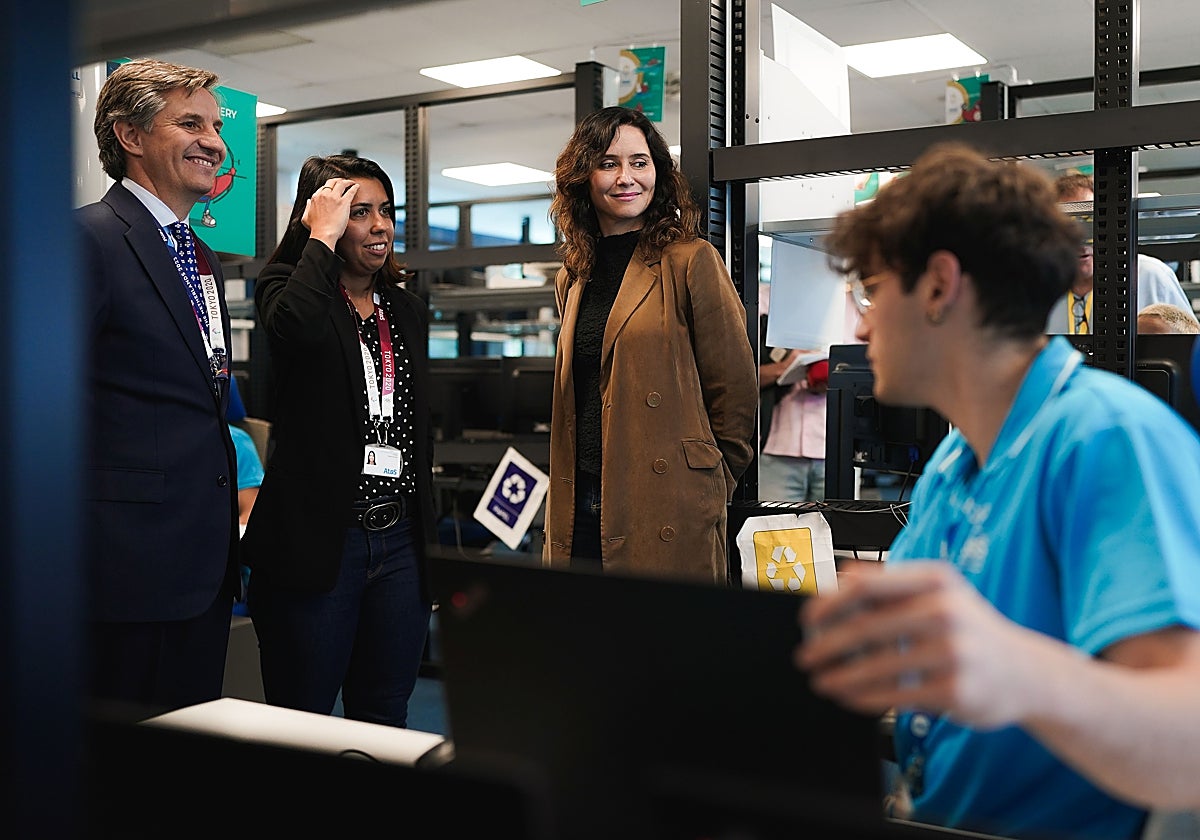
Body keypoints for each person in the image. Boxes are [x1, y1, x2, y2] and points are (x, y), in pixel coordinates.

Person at [796, 143, 1200, 840]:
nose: (860, 326)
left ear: (937, 286)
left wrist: (1015, 669)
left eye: (872, 291)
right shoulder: (957, 457)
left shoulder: (1105, 436)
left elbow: (1187, 749)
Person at [240, 154, 434, 728]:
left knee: (384, 709)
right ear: (320, 218)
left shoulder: (407, 310)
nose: (379, 226)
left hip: (398, 540)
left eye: (385, 211)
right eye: (358, 213)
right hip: (321, 543)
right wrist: (319, 237)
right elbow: (292, 332)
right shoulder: (286, 292)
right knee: (304, 718)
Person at [77, 58, 239, 712]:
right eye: (190, 123)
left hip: (202, 563)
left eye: (217, 125)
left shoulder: (198, 255)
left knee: (181, 768)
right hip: (122, 569)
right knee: (116, 781)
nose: (216, 141)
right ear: (130, 135)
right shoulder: (84, 239)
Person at [543, 106, 757, 583]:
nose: (626, 177)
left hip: (665, 501)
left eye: (639, 162)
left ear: (658, 173)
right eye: (608, 163)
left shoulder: (691, 261)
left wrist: (707, 484)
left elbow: (736, 393)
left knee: (660, 650)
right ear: (584, 177)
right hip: (579, 498)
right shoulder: (572, 277)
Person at [1047, 172, 1192, 334]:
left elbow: (1189, 343)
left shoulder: (1150, 275)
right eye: (1069, 225)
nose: (1082, 240)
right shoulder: (1042, 286)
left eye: (1089, 220)